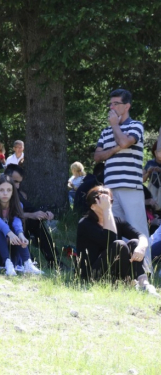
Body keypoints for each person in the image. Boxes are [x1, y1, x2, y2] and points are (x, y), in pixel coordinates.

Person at [94, 89, 149, 269]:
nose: (111, 107)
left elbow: (125, 142)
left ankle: (145, 270)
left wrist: (115, 127)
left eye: (115, 104)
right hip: (110, 187)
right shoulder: (105, 132)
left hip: (130, 186)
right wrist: (114, 149)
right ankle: (123, 269)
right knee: (115, 229)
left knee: (137, 228)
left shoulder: (136, 126)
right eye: (110, 104)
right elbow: (97, 157)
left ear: (127, 106)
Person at [76, 186, 158, 296]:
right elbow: (110, 240)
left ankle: (143, 283)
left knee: (135, 243)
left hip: (114, 272)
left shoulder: (117, 221)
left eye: (110, 200)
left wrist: (141, 247)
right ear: (93, 206)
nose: (108, 203)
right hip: (92, 274)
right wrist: (107, 210)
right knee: (119, 245)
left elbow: (140, 235)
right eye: (103, 200)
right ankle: (127, 282)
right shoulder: (85, 224)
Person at [0, 175, 43, 276]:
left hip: (13, 245)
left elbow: (17, 222)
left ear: (13, 192)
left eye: (8, 190)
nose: (5, 193)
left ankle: (27, 262)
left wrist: (20, 234)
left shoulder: (19, 205)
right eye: (1, 190)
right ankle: (7, 263)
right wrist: (9, 233)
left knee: (18, 232)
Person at [143, 141, 161, 207]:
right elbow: (142, 180)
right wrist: (148, 173)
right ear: (155, 152)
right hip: (152, 191)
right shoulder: (150, 163)